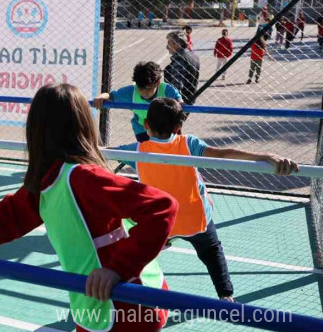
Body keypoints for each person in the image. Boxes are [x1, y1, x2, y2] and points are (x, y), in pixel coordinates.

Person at [0, 83, 265, 332]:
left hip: (124, 300)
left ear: (37, 131)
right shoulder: (44, 182)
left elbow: (162, 207)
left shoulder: (83, 178)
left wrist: (117, 269)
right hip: (100, 305)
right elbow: (8, 216)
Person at [118, 98, 297, 302]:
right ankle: (226, 296)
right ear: (178, 128)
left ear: (146, 125)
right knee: (212, 252)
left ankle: (124, 286)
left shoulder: (135, 151)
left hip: (163, 221)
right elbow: (223, 154)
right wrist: (266, 156)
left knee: (144, 243)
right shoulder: (189, 143)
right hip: (195, 220)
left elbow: (102, 151)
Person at [93, 61, 181, 143]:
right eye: (140, 88)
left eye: (148, 89)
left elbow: (180, 104)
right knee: (147, 153)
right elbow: (111, 96)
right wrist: (101, 96)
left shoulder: (167, 90)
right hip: (142, 129)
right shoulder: (131, 92)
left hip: (166, 129)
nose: (144, 93)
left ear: (158, 82)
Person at [163, 31, 199, 103]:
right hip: (189, 99)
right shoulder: (193, 55)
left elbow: (176, 87)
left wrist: (172, 104)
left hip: (179, 103)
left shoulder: (179, 60)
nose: (167, 47)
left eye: (169, 43)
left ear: (177, 44)